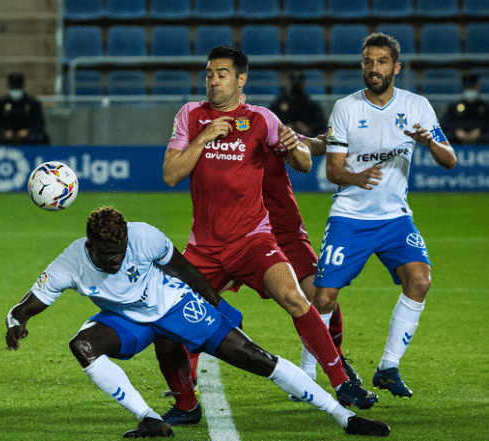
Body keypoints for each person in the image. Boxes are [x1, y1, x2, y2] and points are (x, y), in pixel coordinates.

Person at [5, 206, 391, 438]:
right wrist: (16, 322)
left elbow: (187, 271)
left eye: (120, 251)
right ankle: (149, 419)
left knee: (256, 358)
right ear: (90, 245)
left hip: (176, 306)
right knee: (83, 345)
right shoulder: (70, 262)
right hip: (127, 319)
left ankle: (344, 417)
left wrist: (220, 307)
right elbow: (25, 305)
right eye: (107, 254)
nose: (116, 260)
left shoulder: (144, 237)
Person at [156, 45, 377, 424]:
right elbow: (171, 175)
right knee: (169, 322)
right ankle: (186, 403)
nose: (213, 81)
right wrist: (203, 138)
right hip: (204, 248)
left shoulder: (261, 119)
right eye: (209, 74)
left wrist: (294, 149)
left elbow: (303, 162)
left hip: (254, 240)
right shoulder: (191, 115)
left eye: (222, 74)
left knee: (296, 297)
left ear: (241, 79)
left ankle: (342, 381)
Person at [311, 33, 457, 399]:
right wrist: (357, 178)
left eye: (381, 61)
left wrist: (428, 142)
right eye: (368, 62)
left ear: (396, 67)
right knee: (324, 297)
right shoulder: (346, 107)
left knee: (419, 281)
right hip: (350, 218)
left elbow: (450, 160)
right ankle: (306, 375)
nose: (374, 68)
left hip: (395, 219)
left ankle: (388, 367)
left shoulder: (417, 105)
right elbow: (332, 169)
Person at [0, 72, 50, 145]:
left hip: (28, 138)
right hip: (5, 137)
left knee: (42, 137)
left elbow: (40, 123)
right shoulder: (1, 102)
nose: (15, 91)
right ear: (9, 86)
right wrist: (4, 132)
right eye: (13, 87)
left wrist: (28, 131)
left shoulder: (33, 102)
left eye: (17, 87)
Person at [269, 70, 328, 137]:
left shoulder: (312, 106)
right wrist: (283, 128)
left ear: (304, 84)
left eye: (299, 83)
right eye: (293, 83)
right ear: (288, 83)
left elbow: (323, 126)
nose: (296, 86)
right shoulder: (278, 104)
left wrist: (307, 129)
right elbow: (268, 124)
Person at [440, 73, 489, 144]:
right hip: (457, 139)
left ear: (478, 88)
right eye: (468, 88)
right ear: (463, 89)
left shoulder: (485, 107)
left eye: (472, 88)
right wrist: (456, 131)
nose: (470, 90)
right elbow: (444, 123)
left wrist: (480, 130)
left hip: (481, 139)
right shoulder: (454, 106)